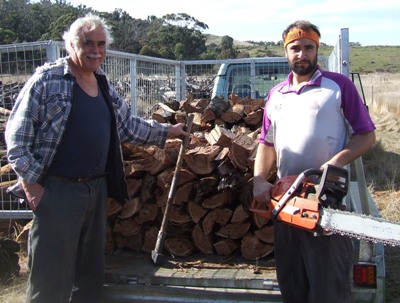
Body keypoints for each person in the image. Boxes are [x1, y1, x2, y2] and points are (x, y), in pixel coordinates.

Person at [5, 14, 188, 303]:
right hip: (57, 191)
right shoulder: (47, 80)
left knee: (89, 277)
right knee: (50, 279)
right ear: (71, 44)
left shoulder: (103, 84)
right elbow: (17, 141)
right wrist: (34, 187)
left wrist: (168, 132)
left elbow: (129, 126)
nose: (96, 50)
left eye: (101, 44)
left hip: (95, 190)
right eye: (87, 43)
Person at [253, 20, 376, 303]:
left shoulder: (338, 86)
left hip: (326, 203)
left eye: (308, 47)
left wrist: (335, 162)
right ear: (286, 52)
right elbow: (266, 143)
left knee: (327, 291)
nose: (302, 54)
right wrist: (259, 178)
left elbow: (366, 135)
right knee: (292, 286)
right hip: (286, 203)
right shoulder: (275, 95)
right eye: (295, 48)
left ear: (317, 50)